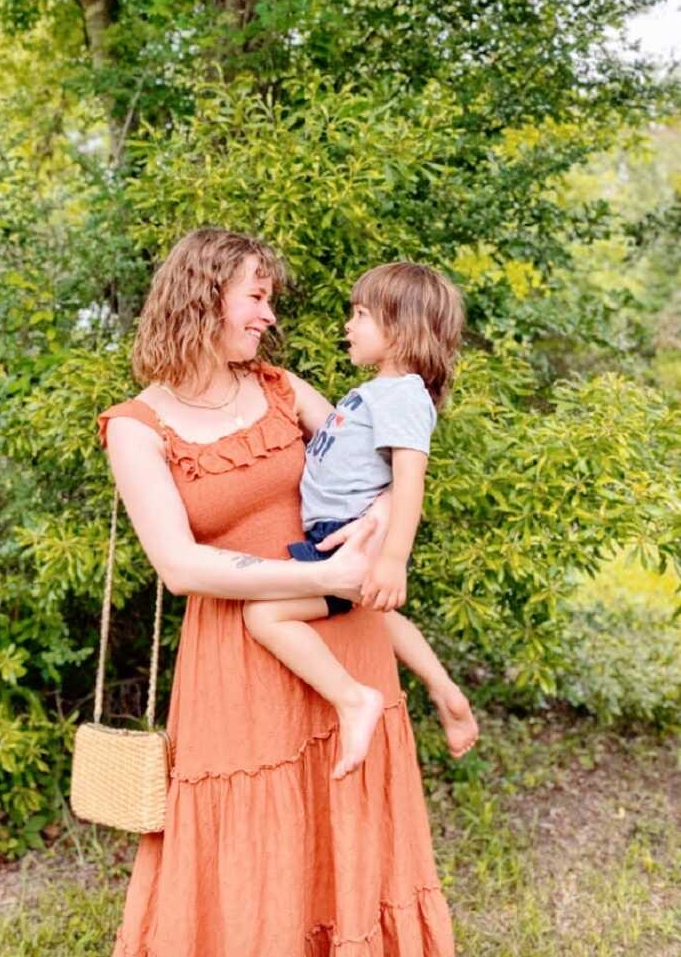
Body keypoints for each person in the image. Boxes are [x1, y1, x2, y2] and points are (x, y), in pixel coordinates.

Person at [99, 228, 455, 957]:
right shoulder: (136, 428)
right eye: (256, 298)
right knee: (253, 841)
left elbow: (383, 468)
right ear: (203, 297)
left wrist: (383, 521)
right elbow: (180, 566)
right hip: (238, 662)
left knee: (343, 829)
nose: (268, 316)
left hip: (340, 641)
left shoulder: (281, 388)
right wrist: (320, 576)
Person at [243, 262, 478, 779]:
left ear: (400, 330)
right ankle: (445, 690)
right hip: (342, 533)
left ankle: (352, 699)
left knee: (264, 615)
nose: (348, 325)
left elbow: (410, 479)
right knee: (379, 616)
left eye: (361, 315)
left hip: (348, 540)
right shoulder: (376, 391)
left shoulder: (402, 395)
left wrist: (392, 561)